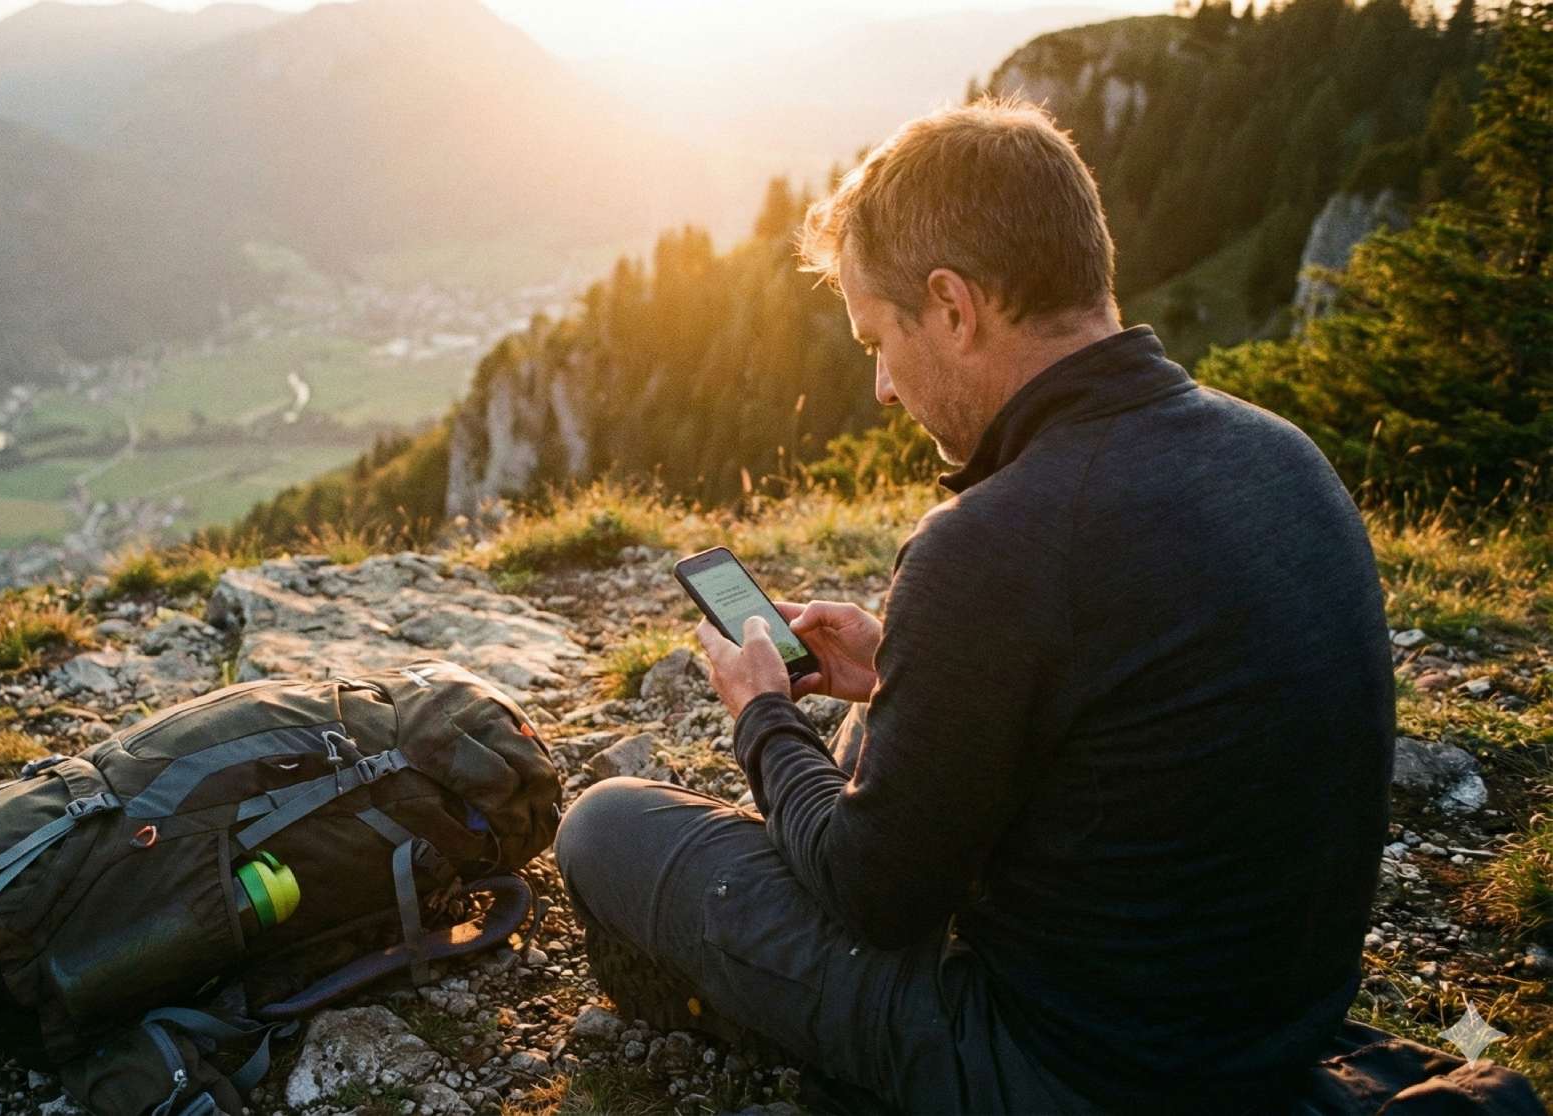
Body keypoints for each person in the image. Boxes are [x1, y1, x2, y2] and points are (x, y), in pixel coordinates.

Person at [553, 97, 1395, 1114]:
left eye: (878, 337)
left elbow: (878, 901)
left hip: (1077, 1075)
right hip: (1265, 1033)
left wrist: (764, 719)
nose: (881, 389)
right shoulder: (1278, 456)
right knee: (869, 744)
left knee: (605, 827)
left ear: (951, 307)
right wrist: (908, 662)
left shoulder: (1000, 537)